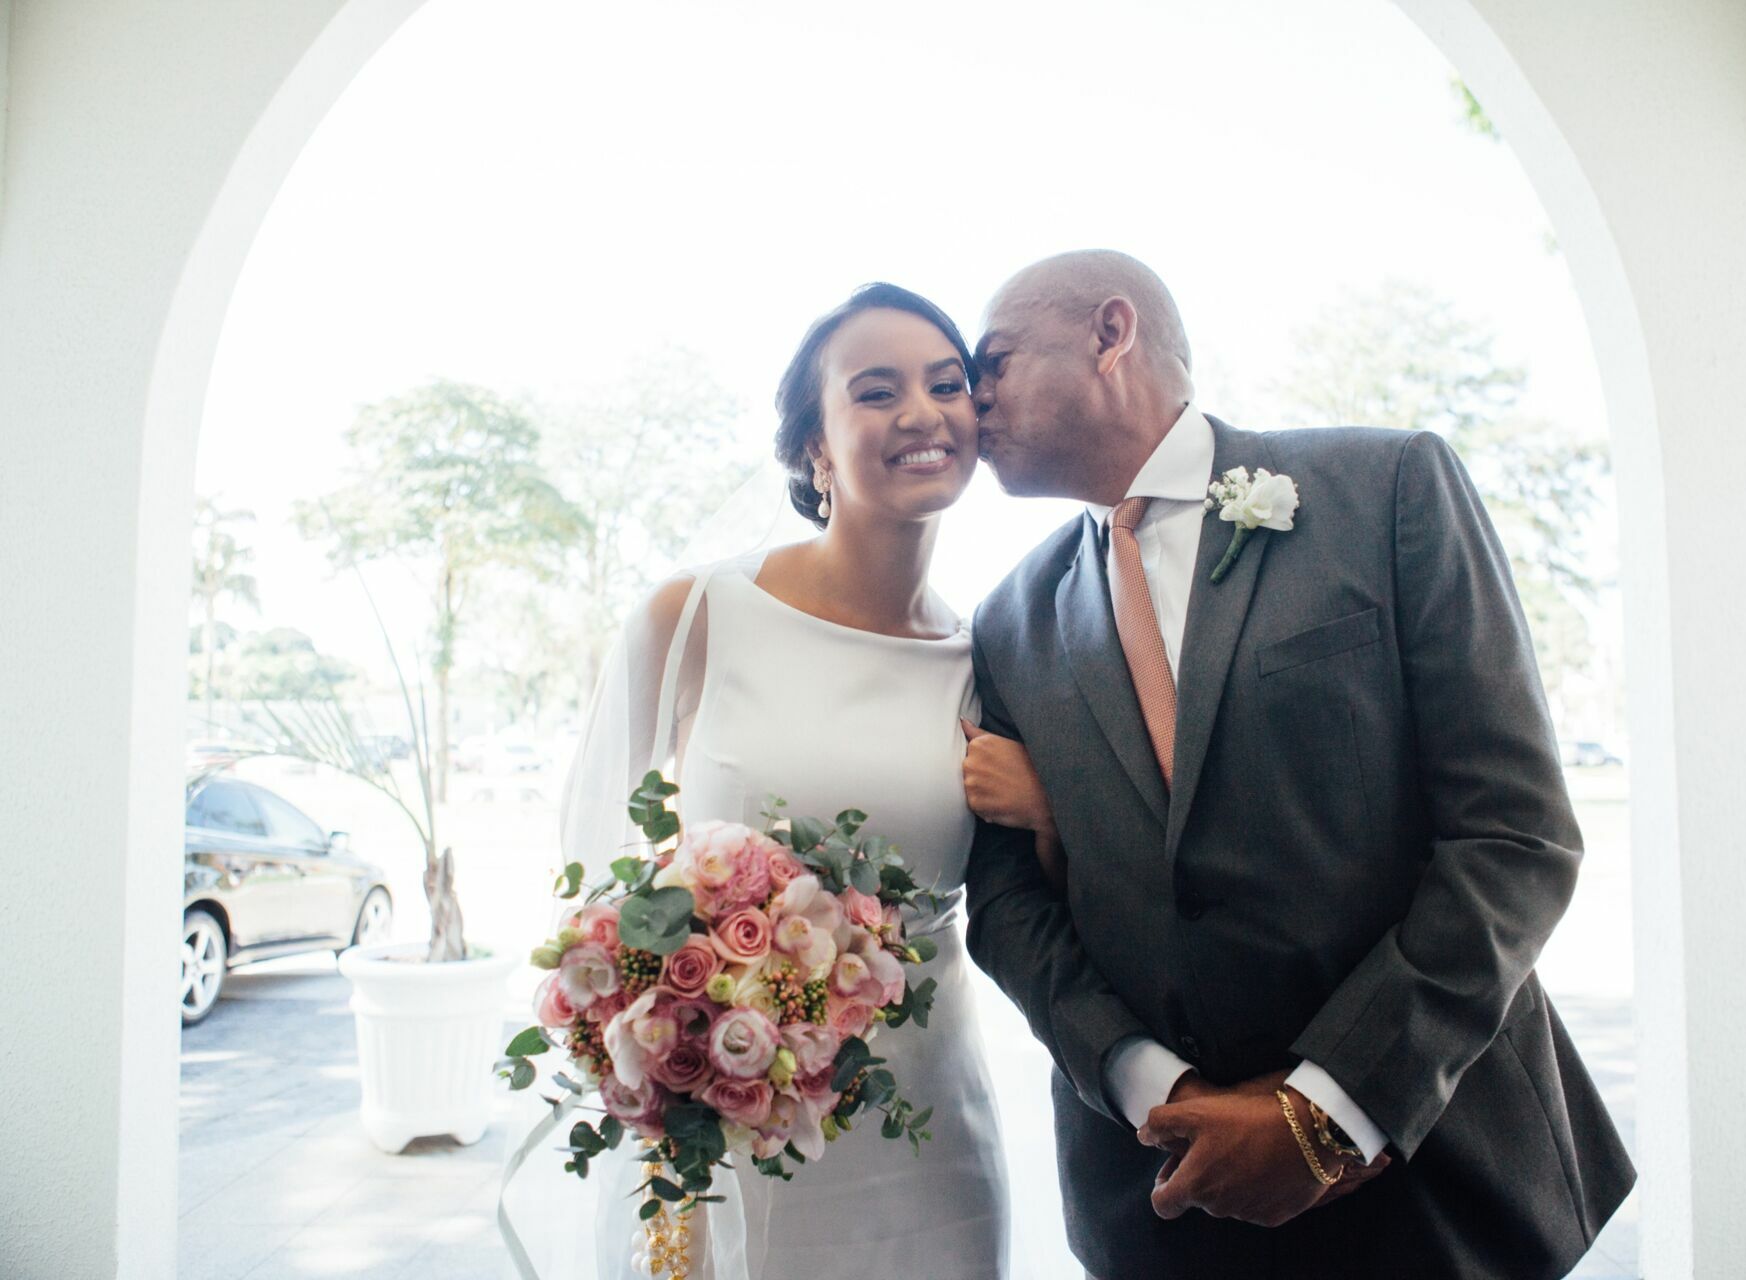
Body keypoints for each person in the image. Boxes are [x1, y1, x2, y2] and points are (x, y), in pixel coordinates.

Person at [960, 250, 1635, 1279]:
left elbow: (1515, 834)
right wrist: (1156, 1091)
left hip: (1429, 1179)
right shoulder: (1009, 620)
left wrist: (1329, 1110)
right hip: (1161, 1204)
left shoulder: (1386, 486)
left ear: (1110, 332)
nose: (972, 397)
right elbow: (1007, 904)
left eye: (994, 359)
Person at [544, 283, 1019, 1277]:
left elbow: (1037, 886)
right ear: (815, 445)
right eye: (877, 391)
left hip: (926, 1128)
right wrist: (648, 1033)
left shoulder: (992, 658)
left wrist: (1044, 810)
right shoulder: (698, 612)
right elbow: (586, 860)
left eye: (947, 385)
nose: (924, 413)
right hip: (726, 1120)